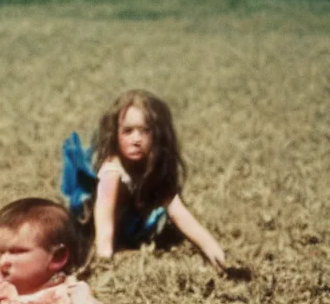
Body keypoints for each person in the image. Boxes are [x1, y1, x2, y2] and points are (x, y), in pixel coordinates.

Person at [61, 89, 226, 271]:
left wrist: (212, 248)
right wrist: (104, 259)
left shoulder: (153, 164)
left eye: (145, 131)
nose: (136, 139)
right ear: (115, 134)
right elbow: (104, 216)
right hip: (98, 223)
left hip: (132, 220)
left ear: (157, 134)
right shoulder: (112, 169)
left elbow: (177, 211)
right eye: (128, 131)